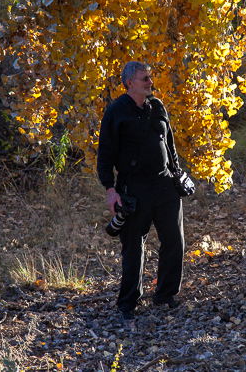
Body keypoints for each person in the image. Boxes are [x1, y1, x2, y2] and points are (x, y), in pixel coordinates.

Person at [97, 61, 184, 323]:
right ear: (129, 83)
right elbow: (105, 157)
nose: (150, 82)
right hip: (133, 190)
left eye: (150, 77)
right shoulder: (115, 113)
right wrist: (111, 191)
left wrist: (177, 174)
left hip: (165, 185)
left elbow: (170, 145)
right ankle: (127, 305)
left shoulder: (158, 106)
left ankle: (165, 295)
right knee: (134, 248)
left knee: (175, 242)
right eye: (144, 78)